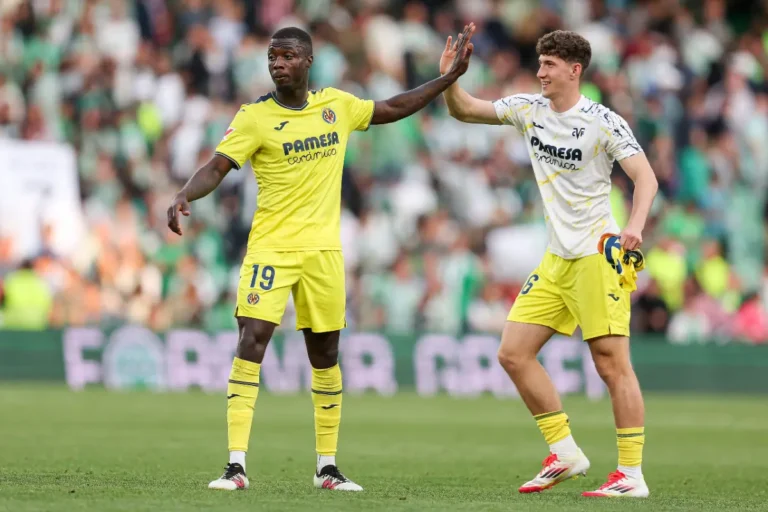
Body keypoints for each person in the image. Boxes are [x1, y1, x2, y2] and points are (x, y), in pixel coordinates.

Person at [167, 26, 474, 492]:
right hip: (271, 248)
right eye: (272, 56)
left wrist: (447, 79)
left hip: (324, 254)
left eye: (287, 56)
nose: (277, 63)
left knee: (325, 355)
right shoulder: (253, 117)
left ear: (308, 61)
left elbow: (393, 107)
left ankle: (327, 467)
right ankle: (235, 465)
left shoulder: (337, 106)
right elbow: (217, 166)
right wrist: (186, 194)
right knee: (251, 340)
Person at [441, 26, 658, 498]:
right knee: (512, 353)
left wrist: (636, 223)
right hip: (557, 258)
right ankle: (565, 452)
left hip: (598, 255)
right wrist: (451, 79)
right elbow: (465, 110)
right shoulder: (528, 109)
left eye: (549, 65)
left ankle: (632, 475)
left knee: (611, 364)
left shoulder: (604, 121)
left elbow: (646, 177)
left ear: (574, 70)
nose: (539, 72)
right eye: (539, 64)